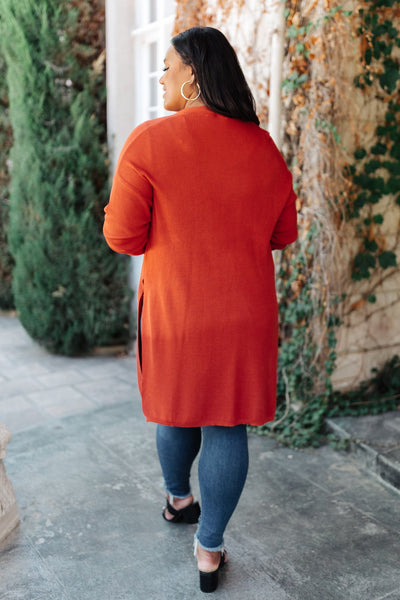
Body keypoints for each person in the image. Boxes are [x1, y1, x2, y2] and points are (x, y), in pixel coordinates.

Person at [103, 26, 297, 594]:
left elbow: (122, 238)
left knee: (178, 409)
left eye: (166, 67)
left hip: (178, 310)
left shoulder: (149, 142)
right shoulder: (263, 147)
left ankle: (178, 499)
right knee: (226, 422)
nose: (161, 77)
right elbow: (282, 234)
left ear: (191, 72)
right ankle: (209, 549)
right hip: (246, 311)